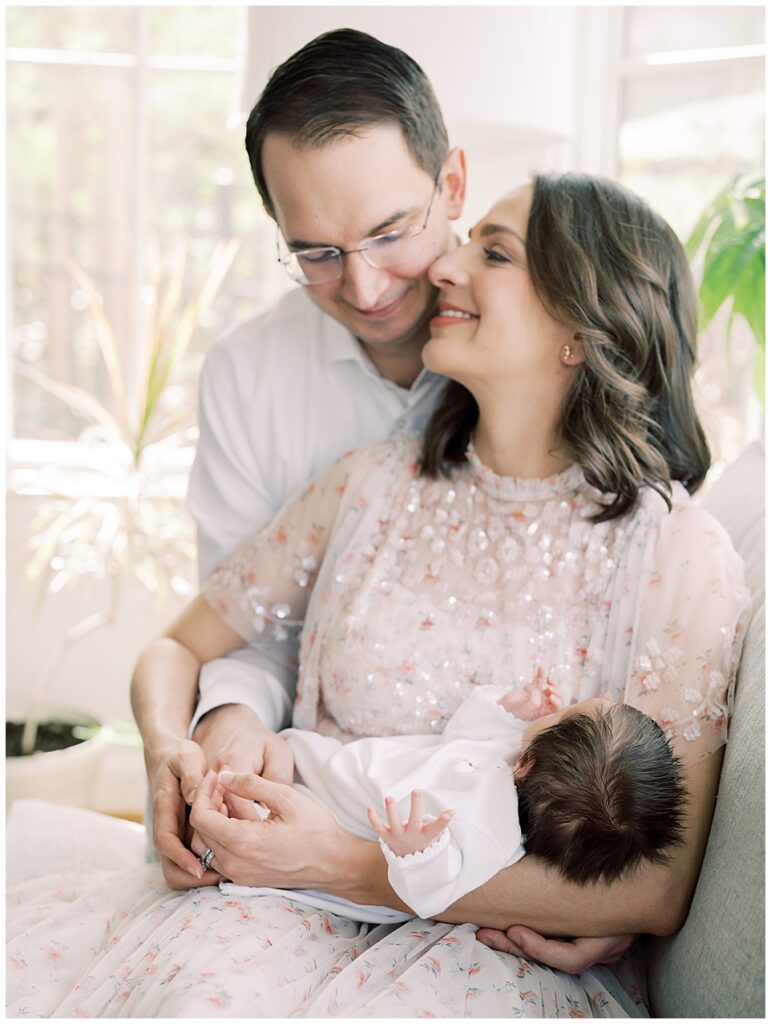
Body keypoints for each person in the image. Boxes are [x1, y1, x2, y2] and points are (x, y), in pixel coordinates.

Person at [6, 171, 749, 1018]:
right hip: (271, 914)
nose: (444, 267)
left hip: (487, 958)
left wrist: (340, 864)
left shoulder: (676, 555)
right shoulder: (371, 486)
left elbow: (653, 889)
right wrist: (171, 752)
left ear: (581, 329)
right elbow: (176, 647)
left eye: (492, 252)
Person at [217, 689, 687, 922]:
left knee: (257, 806)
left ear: (527, 763)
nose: (558, 704)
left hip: (347, 817)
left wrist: (419, 853)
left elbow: (433, 892)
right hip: (346, 775)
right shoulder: (519, 766)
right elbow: (463, 736)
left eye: (561, 713)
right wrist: (507, 707)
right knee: (298, 763)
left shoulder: (490, 835)